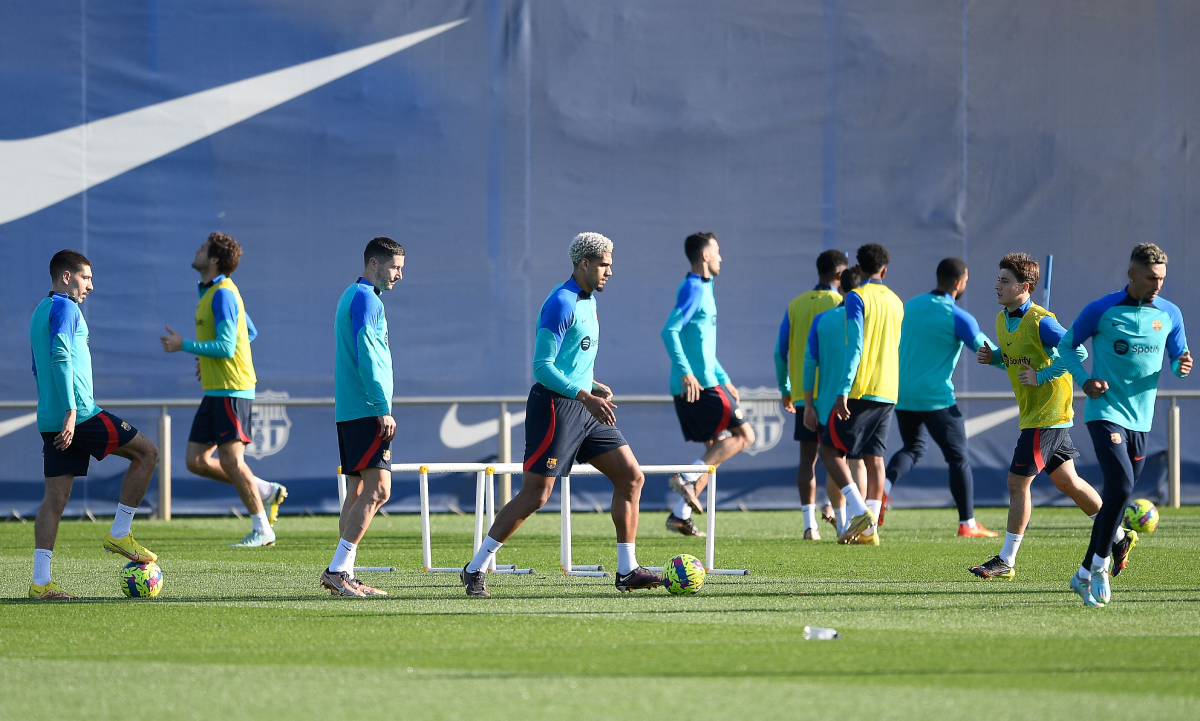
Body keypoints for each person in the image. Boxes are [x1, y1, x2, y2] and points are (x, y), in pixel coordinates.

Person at [462, 232, 660, 596]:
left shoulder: (589, 303)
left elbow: (571, 360)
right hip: (554, 407)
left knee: (632, 477)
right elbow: (541, 367)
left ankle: (627, 570)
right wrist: (584, 394)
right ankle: (475, 568)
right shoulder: (560, 303)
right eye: (604, 264)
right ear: (584, 264)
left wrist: (592, 384)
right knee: (536, 495)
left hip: (584, 406)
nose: (610, 272)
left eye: (611, 265)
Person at [1059, 243, 1190, 606]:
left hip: (1141, 420)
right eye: (1151, 277)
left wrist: (1182, 363)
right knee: (1121, 483)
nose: (1158, 284)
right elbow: (1068, 346)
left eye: (1162, 277)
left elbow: (1179, 353)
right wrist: (1084, 380)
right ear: (1132, 274)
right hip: (1105, 412)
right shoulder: (1102, 309)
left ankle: (1083, 573)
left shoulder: (1170, 313)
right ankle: (1100, 566)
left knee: (1120, 495)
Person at [29, 250, 160, 599]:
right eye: (86, 277)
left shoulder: (40, 310)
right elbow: (58, 356)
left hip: (51, 418)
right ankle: (119, 533)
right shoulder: (66, 307)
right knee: (147, 453)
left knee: (54, 500)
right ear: (67, 277)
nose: (91, 285)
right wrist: (71, 410)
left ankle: (40, 583)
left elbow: (37, 368)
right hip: (82, 415)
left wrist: (57, 411)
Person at [970, 253, 1101, 579]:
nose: (997, 285)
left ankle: (1006, 560)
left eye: (1004, 280)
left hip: (1048, 414)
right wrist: (995, 357)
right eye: (998, 278)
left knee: (1017, 482)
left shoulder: (1042, 321)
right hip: (1035, 414)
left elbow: (1079, 351)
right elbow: (1016, 357)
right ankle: (1115, 533)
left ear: (1024, 287)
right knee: (1067, 481)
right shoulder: (1003, 320)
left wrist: (1042, 376)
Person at [159, 232, 287, 547]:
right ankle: (265, 489)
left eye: (202, 248)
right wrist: (207, 356)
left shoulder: (224, 294)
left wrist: (184, 346)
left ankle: (262, 529)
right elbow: (249, 331)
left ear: (214, 260)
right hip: (217, 391)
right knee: (196, 461)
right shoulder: (211, 292)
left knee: (231, 459)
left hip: (233, 389)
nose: (197, 250)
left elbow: (229, 346)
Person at [885, 258, 997, 538]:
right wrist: (1024, 358)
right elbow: (988, 352)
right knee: (958, 458)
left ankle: (880, 493)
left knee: (912, 448)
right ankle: (967, 524)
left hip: (903, 394)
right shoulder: (957, 315)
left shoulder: (910, 305)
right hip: (935, 398)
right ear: (959, 283)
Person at [319, 237, 405, 597]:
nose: (400, 275)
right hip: (367, 409)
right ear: (374, 263)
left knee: (356, 492)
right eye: (395, 267)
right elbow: (368, 356)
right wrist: (381, 407)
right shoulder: (366, 299)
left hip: (353, 409)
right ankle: (338, 570)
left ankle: (345, 573)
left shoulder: (353, 295)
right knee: (379, 490)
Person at [660, 232, 756, 537]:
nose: (720, 257)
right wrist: (687, 372)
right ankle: (687, 477)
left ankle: (680, 514)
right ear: (705, 256)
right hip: (698, 386)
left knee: (715, 449)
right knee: (745, 435)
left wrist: (725, 378)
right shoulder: (693, 288)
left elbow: (701, 345)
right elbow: (669, 330)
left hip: (702, 382)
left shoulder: (704, 286)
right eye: (717, 251)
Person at [819, 244, 904, 545]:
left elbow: (856, 346)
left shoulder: (856, 297)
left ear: (858, 269)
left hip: (861, 388)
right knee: (875, 458)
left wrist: (843, 389)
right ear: (884, 271)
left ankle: (858, 511)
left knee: (829, 451)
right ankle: (870, 531)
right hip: (888, 390)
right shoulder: (896, 301)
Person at [775, 249, 848, 540]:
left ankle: (810, 525)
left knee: (808, 459)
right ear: (840, 275)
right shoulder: (842, 303)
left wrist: (786, 389)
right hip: (830, 396)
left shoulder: (796, 304)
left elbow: (780, 352)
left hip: (804, 396)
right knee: (834, 455)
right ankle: (841, 520)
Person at [801, 267, 869, 538]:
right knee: (858, 460)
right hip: (862, 395)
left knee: (834, 460)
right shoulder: (867, 316)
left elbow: (810, 362)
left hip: (829, 401)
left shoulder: (822, 320)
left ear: (840, 286)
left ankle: (843, 524)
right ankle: (856, 521)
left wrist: (808, 403)